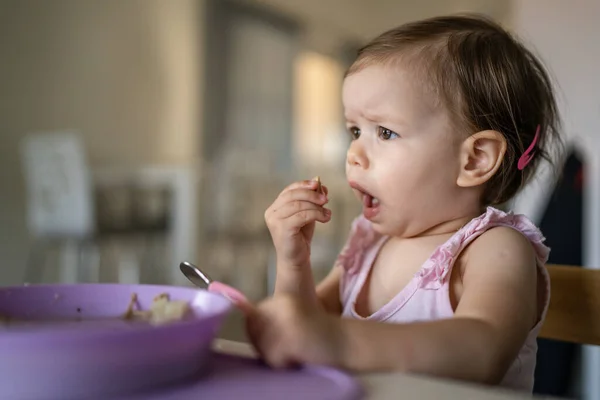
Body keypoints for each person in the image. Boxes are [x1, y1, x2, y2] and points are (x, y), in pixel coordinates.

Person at [244, 14, 562, 392]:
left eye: (385, 132)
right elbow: (303, 331)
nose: (354, 154)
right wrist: (293, 262)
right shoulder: (367, 245)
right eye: (354, 130)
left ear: (474, 160)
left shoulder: (494, 249)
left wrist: (340, 341)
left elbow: (484, 350)